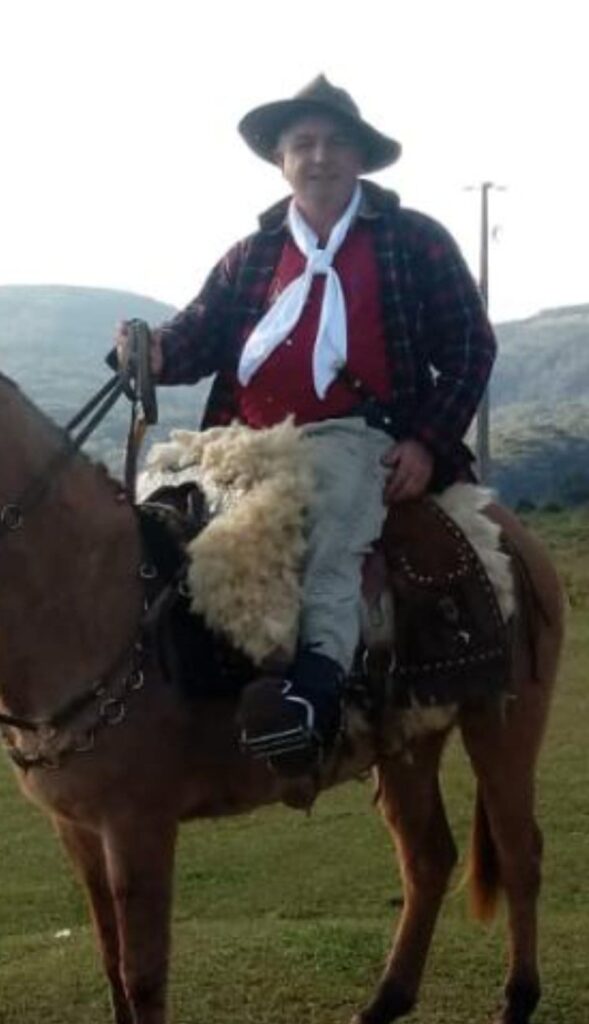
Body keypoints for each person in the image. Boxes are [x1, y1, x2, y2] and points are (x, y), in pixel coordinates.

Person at [117, 75, 497, 778]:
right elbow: (198, 334)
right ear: (281, 159)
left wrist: (427, 442)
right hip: (240, 439)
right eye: (304, 144)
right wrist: (155, 350)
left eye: (336, 143)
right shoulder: (251, 255)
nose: (319, 156)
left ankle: (313, 698)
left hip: (352, 435)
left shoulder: (413, 240)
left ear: (359, 158)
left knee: (332, 536)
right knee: (153, 514)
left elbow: (471, 348)